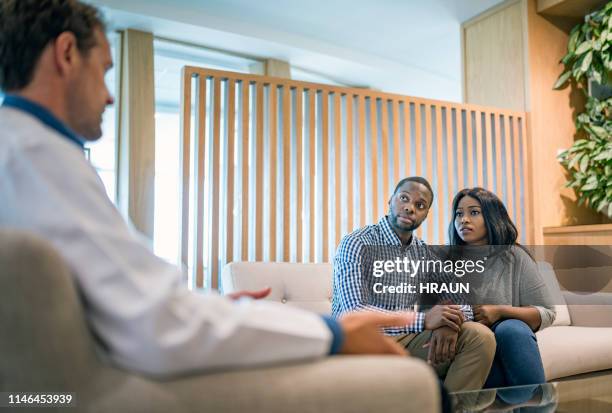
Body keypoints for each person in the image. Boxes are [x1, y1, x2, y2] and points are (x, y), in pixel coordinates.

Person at [0, 0, 415, 378]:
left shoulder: (26, 152)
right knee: (411, 384)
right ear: (67, 53)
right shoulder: (37, 160)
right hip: (111, 382)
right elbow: (158, 329)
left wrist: (212, 308)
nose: (110, 97)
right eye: (106, 71)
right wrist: (333, 333)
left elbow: (133, 306)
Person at [332, 176, 496, 392]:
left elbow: (462, 297)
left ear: (426, 214)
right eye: (404, 198)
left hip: (407, 339)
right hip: (360, 343)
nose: (410, 208)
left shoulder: (423, 252)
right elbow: (356, 312)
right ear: (390, 200)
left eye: (420, 205)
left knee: (480, 337)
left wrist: (449, 322)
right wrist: (425, 320)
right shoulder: (357, 242)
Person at [449, 187, 556, 388]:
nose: (463, 219)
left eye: (474, 212)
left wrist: (499, 311)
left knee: (512, 329)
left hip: (506, 336)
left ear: (492, 217)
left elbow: (547, 312)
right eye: (458, 214)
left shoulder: (514, 256)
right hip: (468, 341)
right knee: (480, 342)